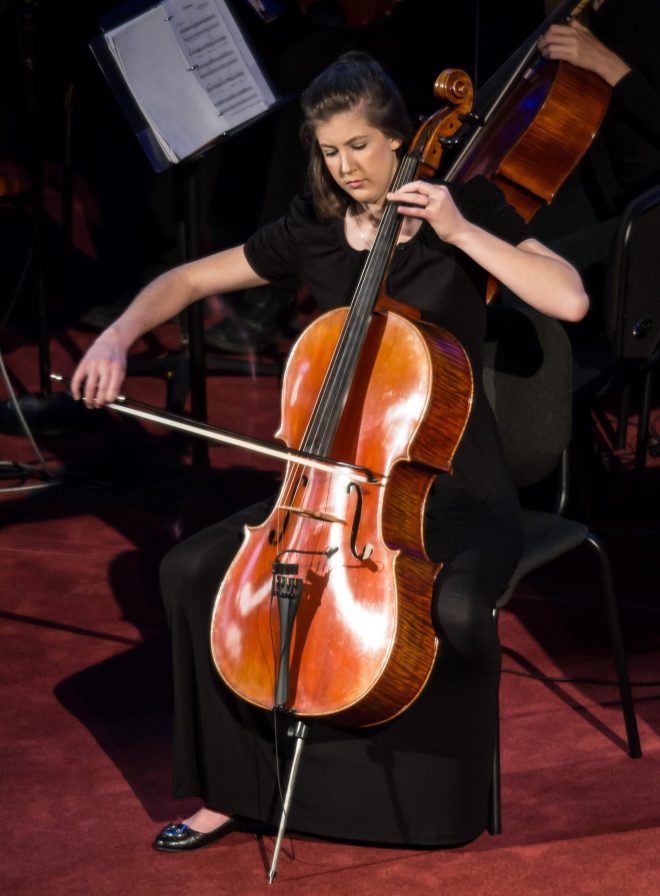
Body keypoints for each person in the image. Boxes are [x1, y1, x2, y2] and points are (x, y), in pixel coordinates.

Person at [71, 51, 588, 851]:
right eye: (330, 150)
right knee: (190, 572)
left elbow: (570, 298)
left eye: (360, 146)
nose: (346, 167)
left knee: (450, 611)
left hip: (459, 494)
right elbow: (184, 284)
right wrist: (115, 335)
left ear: (399, 140)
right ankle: (226, 789)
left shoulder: (465, 206)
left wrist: (459, 229)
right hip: (335, 494)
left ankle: (433, 806)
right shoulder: (311, 233)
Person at [530, 0, 660, 319]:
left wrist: (611, 68)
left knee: (531, 285)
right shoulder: (582, 16)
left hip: (648, 214)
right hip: (611, 207)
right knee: (506, 255)